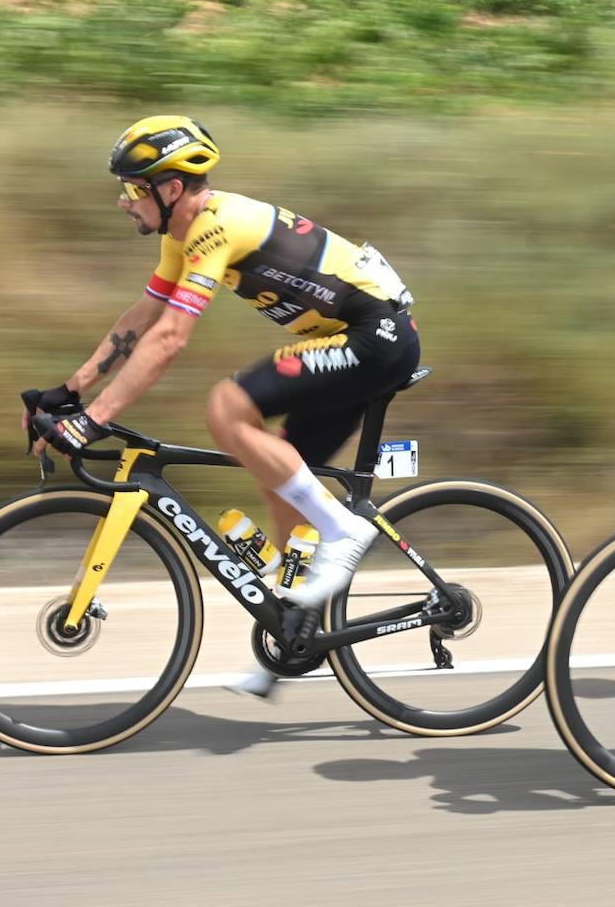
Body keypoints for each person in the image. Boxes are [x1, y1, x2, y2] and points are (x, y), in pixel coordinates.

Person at [26, 115, 420, 691]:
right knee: (277, 463)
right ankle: (294, 625)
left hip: (377, 336)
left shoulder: (216, 226)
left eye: (133, 188)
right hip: (351, 339)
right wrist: (72, 390)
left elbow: (171, 339)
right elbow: (144, 318)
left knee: (227, 408)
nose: (122, 202)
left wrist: (94, 421)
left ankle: (341, 533)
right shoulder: (179, 235)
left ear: (171, 189)